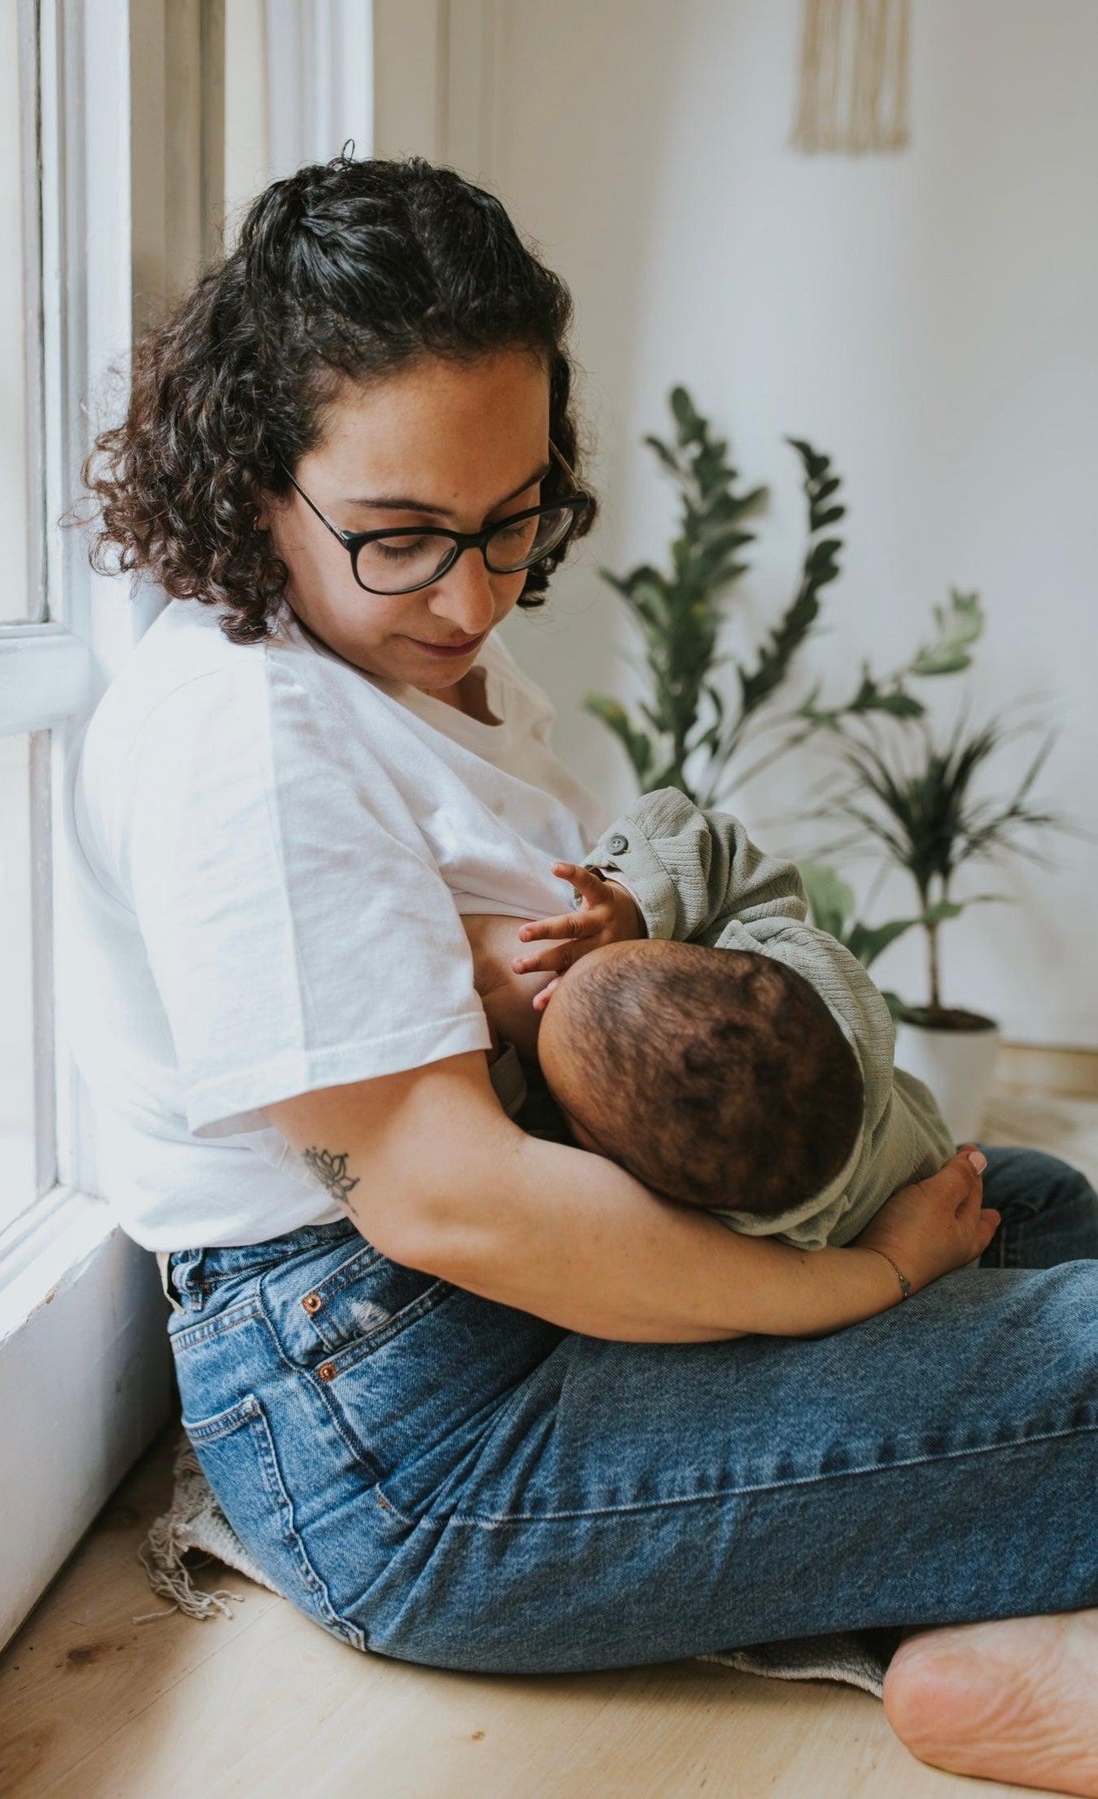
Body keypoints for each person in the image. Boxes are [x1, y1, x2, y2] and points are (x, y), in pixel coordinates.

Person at [63, 151, 1098, 1796]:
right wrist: (863, 1285)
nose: (473, 593)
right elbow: (450, 1203)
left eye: (513, 517)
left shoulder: (427, 658)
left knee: (1027, 1197)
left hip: (505, 1295)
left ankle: (998, 1634)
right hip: (410, 1423)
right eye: (401, 536)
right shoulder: (250, 738)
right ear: (254, 472)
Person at [462, 789, 954, 1252]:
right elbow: (729, 856)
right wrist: (635, 901)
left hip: (927, 1203)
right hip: (936, 1156)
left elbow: (546, 1162)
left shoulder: (738, 1233)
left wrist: (498, 1073)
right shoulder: (809, 976)